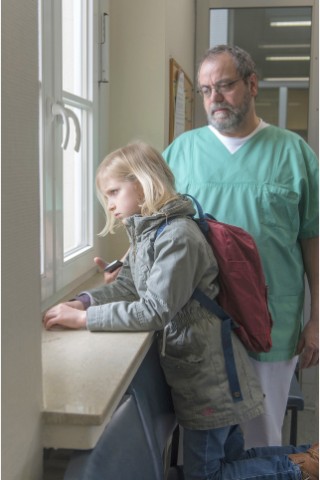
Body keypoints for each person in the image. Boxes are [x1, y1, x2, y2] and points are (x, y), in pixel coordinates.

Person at [43, 142, 318, 480]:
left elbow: (154, 311)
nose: (110, 204)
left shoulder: (177, 237)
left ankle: (300, 469)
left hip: (211, 380)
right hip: (201, 374)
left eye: (114, 192)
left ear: (143, 183)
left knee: (207, 475)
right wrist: (83, 301)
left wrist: (85, 320)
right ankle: (306, 460)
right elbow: (128, 286)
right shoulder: (149, 233)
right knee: (227, 461)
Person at [162, 44, 319, 449]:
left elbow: (312, 241)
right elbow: (155, 231)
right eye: (206, 89)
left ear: (252, 84)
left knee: (261, 437)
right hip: (198, 324)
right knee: (204, 446)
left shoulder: (294, 153)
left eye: (225, 85)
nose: (214, 98)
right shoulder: (181, 153)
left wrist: (316, 319)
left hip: (271, 321)